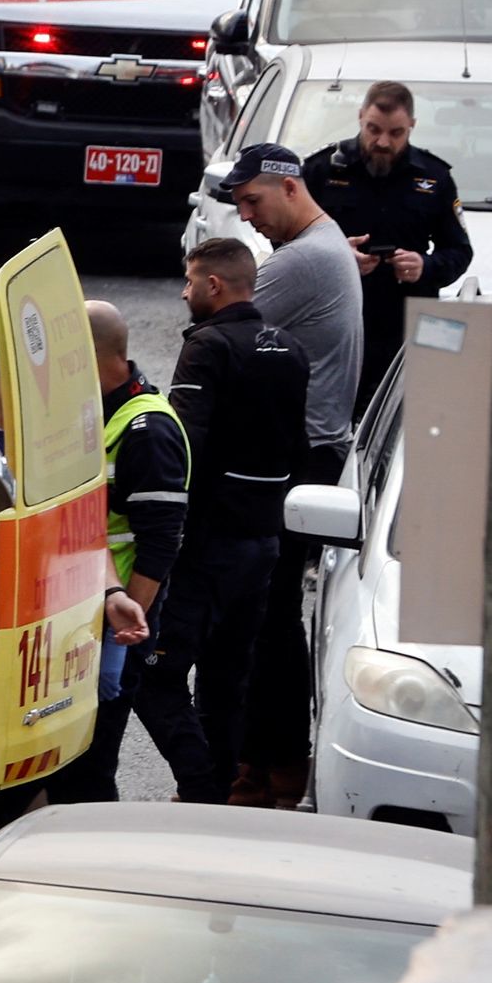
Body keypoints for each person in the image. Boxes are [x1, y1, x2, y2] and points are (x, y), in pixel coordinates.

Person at [223, 142, 366, 808]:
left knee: (267, 614)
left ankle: (276, 763)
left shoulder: (301, 260)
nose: (246, 217)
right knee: (269, 611)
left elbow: (218, 319)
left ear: (287, 187)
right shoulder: (326, 244)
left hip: (300, 454)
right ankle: (265, 759)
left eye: (251, 200)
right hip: (312, 449)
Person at [23, 301, 195, 816]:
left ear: (89, 356)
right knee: (65, 755)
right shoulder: (98, 409)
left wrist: (127, 626)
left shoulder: (148, 430)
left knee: (92, 763)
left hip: (117, 622)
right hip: (88, 611)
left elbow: (161, 542)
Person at [158, 235, 310, 805]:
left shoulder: (207, 347)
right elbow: (299, 445)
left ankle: (203, 783)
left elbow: (183, 449)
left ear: (214, 285)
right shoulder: (292, 350)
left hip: (208, 543)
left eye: (191, 281)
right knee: (228, 676)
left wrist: (163, 535)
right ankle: (220, 788)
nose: (184, 290)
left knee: (158, 674)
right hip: (265, 540)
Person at [303, 80, 474, 413]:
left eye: (396, 133)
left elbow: (459, 251)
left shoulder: (433, 178)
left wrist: (425, 266)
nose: (382, 142)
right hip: (337, 322)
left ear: (412, 126)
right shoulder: (322, 170)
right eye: (373, 129)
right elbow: (285, 239)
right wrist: (339, 256)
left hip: (406, 327)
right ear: (359, 118)